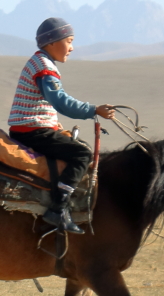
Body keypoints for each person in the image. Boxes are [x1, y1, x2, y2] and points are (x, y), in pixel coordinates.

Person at [8, 17, 115, 234]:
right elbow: (61, 101)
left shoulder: (41, 63)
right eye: (69, 41)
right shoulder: (44, 67)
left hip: (33, 128)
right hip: (32, 131)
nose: (72, 48)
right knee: (82, 154)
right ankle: (58, 208)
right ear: (53, 42)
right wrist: (94, 110)